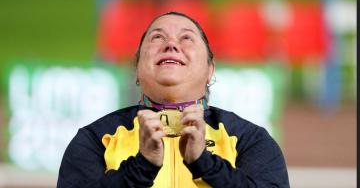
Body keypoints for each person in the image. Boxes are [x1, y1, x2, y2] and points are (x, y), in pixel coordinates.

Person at [57, 11, 290, 187]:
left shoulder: (249, 140)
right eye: (157, 37)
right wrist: (143, 166)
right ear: (136, 69)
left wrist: (205, 163)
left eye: (187, 38)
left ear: (210, 69)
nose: (171, 45)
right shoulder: (97, 139)